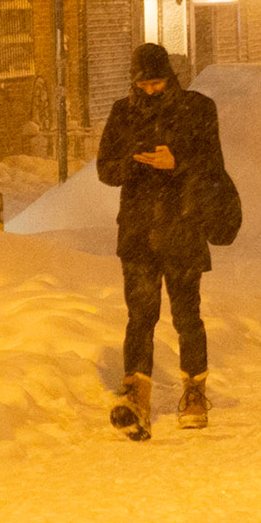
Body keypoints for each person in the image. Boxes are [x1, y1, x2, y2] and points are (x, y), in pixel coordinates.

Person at [97, 43, 227, 440]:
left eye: (157, 82)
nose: (151, 90)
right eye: (144, 83)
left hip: (183, 227)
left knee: (187, 315)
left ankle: (193, 393)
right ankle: (136, 395)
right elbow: (105, 169)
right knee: (140, 317)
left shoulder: (198, 109)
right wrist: (131, 163)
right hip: (137, 233)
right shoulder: (123, 113)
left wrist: (178, 161)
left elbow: (213, 165)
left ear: (170, 77)